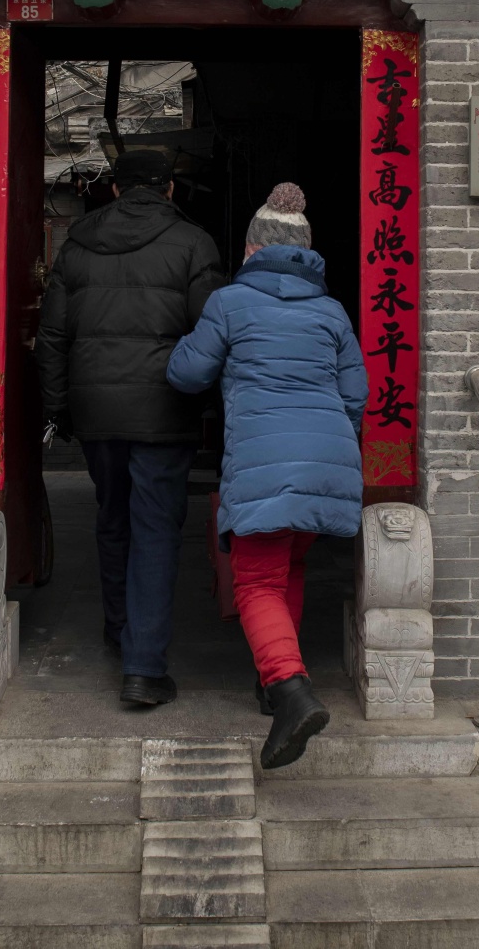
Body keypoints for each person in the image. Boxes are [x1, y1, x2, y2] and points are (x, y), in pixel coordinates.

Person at [166, 183, 367, 769]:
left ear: (252, 249)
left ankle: (289, 691)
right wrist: (325, 441)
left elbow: (187, 373)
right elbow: (356, 394)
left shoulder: (231, 303)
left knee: (255, 580)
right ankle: (272, 682)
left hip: (261, 459)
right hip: (327, 458)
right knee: (289, 566)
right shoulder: (331, 311)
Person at [36, 148, 224, 708]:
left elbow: (52, 340)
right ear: (170, 190)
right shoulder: (194, 244)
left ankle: (120, 632)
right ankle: (143, 666)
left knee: (112, 520)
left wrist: (59, 409)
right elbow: (212, 336)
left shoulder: (76, 245)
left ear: (114, 190)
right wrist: (213, 411)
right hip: (165, 412)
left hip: (97, 413)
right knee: (156, 531)